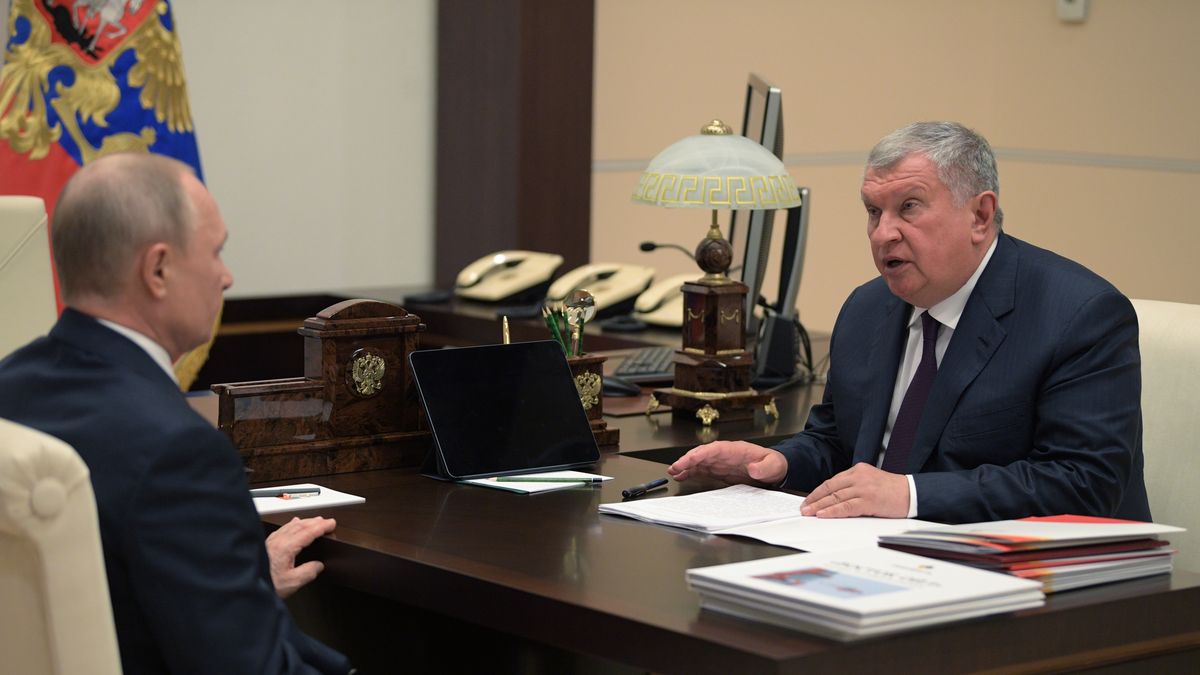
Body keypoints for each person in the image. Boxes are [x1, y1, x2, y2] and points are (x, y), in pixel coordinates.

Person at [668, 121, 1150, 525]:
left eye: (909, 208)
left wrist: (910, 496)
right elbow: (837, 440)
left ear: (980, 215)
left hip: (1048, 589)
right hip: (880, 558)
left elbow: (1085, 485)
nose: (883, 233)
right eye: (873, 212)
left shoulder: (1079, 316)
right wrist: (777, 463)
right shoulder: (867, 308)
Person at [0, 154, 353, 674]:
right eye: (215, 252)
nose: (226, 276)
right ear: (158, 269)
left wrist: (234, 579)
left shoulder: (10, 386)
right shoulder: (180, 453)